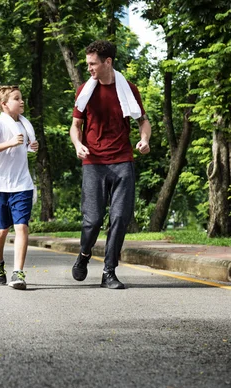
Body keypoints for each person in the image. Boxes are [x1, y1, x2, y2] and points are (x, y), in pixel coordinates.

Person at [69, 40, 151, 289]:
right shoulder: (85, 90)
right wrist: (77, 144)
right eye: (87, 64)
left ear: (108, 62)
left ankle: (109, 272)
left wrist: (144, 139)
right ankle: (84, 254)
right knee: (92, 220)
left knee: (119, 217)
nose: (89, 68)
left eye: (93, 64)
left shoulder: (129, 89)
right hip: (93, 162)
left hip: (122, 160)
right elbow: (75, 126)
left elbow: (143, 122)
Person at [0, 85, 39, 290]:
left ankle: (18, 272)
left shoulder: (24, 126)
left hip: (22, 184)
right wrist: (10, 143)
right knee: (2, 229)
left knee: (21, 226)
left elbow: (24, 148)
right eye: (16, 99)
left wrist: (31, 146)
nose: (21, 101)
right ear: (4, 104)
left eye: (21, 98)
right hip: (0, 185)